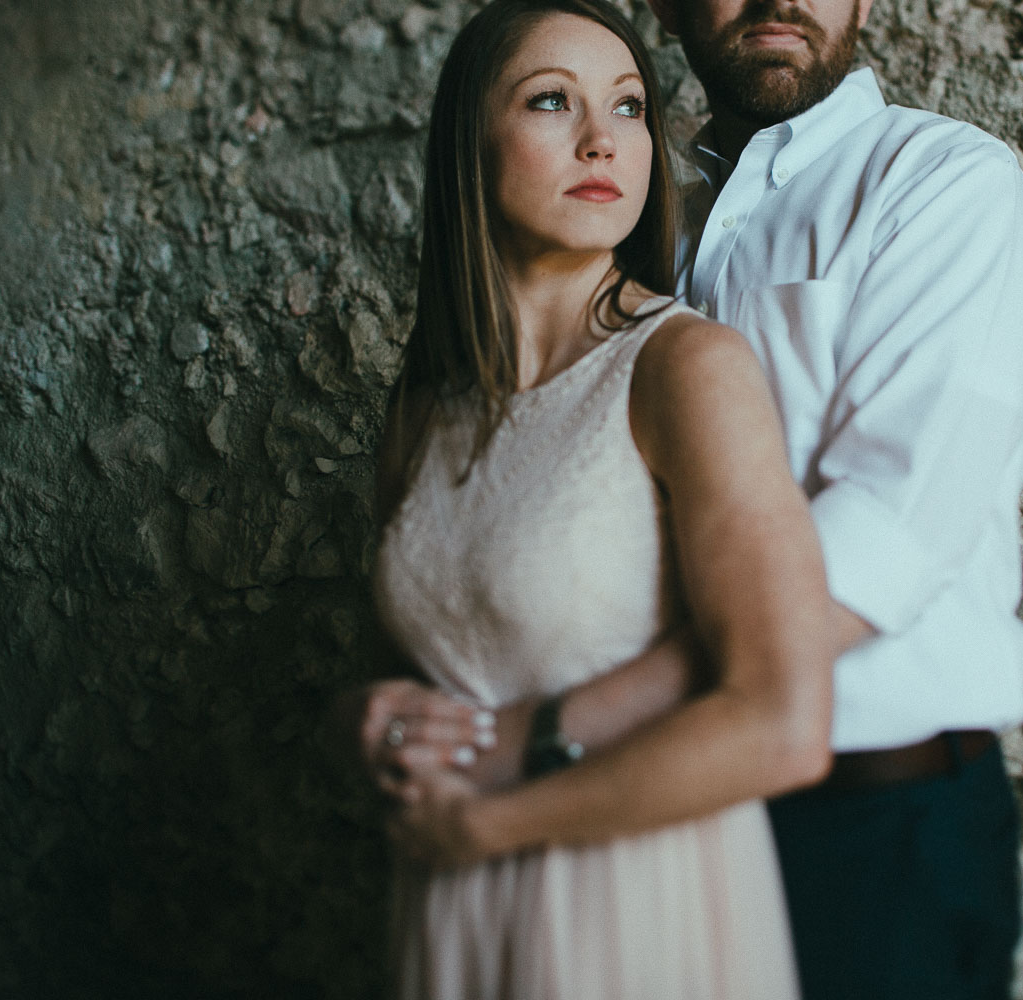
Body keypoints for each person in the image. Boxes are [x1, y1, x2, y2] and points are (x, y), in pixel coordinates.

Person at [356, 0, 1023, 996]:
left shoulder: (942, 188)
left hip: (868, 827)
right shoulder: (629, 213)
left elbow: (879, 549)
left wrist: (538, 737)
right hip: (636, 819)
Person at [362, 0, 855, 995]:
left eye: (629, 107)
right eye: (552, 101)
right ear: (471, 141)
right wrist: (364, 722)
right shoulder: (432, 399)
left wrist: (491, 824)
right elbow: (412, 663)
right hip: (455, 912)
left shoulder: (684, 367)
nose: (604, 139)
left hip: (638, 899)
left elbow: (784, 725)